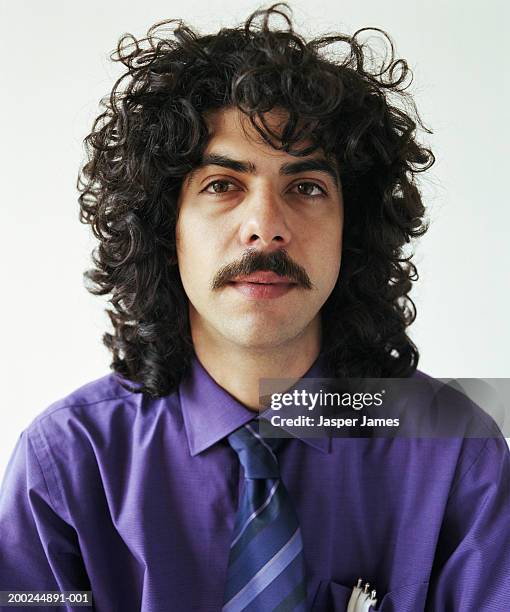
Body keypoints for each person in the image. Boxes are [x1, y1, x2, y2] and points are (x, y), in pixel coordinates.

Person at [1, 4, 509, 611]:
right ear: (167, 229)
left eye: (306, 187)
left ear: (354, 230)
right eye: (222, 185)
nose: (266, 227)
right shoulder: (67, 465)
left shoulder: (455, 451)